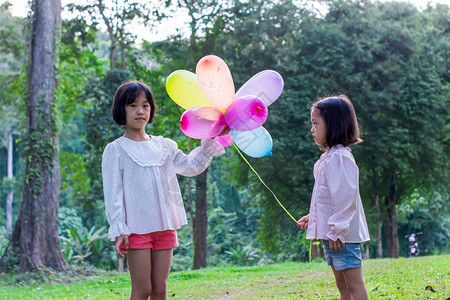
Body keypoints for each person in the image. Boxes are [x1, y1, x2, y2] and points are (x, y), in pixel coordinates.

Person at [102, 80, 225, 300]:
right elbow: (113, 194)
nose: (140, 111)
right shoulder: (116, 150)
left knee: (160, 289)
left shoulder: (164, 145)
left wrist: (212, 139)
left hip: (165, 226)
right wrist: (119, 229)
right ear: (122, 109)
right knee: (142, 290)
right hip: (136, 230)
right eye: (133, 105)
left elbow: (190, 166)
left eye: (145, 105)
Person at [297, 95, 370, 300]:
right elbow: (329, 198)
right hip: (334, 234)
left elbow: (347, 197)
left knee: (353, 284)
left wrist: (337, 229)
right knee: (342, 285)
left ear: (333, 125)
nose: (312, 129)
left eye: (315, 123)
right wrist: (315, 216)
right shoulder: (327, 159)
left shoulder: (339, 158)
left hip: (341, 235)